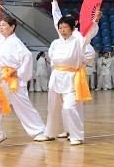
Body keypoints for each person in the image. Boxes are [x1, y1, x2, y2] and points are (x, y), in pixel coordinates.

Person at [34, 14, 100, 146]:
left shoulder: (78, 40)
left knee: (69, 107)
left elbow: (90, 34)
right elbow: (53, 59)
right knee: (52, 107)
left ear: (72, 28)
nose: (62, 30)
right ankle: (49, 133)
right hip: (56, 77)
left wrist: (95, 21)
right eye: (60, 27)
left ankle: (77, 135)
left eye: (65, 27)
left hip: (72, 78)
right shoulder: (55, 43)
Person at [0, 16, 46, 141]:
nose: (0, 27)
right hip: (1, 78)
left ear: (12, 27)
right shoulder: (2, 39)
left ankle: (39, 130)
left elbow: (28, 56)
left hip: (13, 79)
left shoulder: (16, 42)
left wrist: (20, 73)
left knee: (23, 105)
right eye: (0, 25)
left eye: (3, 25)